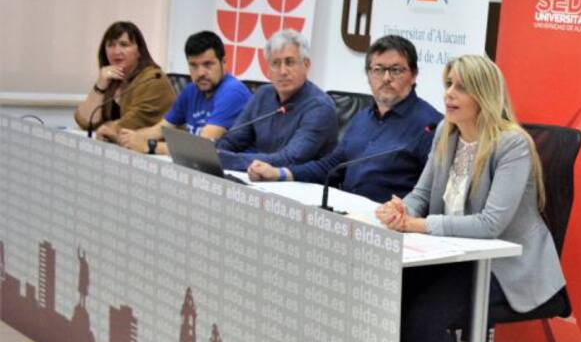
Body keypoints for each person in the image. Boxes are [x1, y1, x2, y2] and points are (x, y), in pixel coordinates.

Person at [375, 54, 566, 342]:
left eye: (461, 87)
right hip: (456, 255)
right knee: (387, 297)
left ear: (484, 94)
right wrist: (401, 210)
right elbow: (422, 194)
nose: (449, 94)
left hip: (504, 265)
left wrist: (419, 224)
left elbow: (490, 224)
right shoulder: (446, 133)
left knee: (421, 319)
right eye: (448, 84)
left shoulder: (512, 144)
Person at [247, 35, 440, 202]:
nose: (386, 78)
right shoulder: (362, 118)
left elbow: (431, 194)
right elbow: (330, 167)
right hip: (346, 215)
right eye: (378, 69)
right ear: (368, 75)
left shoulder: (431, 126)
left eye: (396, 70)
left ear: (414, 75)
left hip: (391, 224)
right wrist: (279, 174)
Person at [215, 29, 338, 171]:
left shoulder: (320, 107)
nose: (283, 71)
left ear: (306, 65)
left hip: (300, 182)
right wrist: (213, 154)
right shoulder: (262, 95)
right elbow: (231, 140)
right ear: (268, 70)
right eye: (275, 63)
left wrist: (225, 159)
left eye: (290, 62)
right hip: (261, 178)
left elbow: (290, 158)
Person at [116, 30, 252, 155]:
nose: (200, 73)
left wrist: (151, 146)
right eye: (193, 65)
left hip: (237, 170)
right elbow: (160, 129)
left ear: (224, 63)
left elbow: (202, 148)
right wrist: (131, 138)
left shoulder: (233, 93)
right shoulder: (191, 90)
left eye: (208, 64)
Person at [74, 21, 175, 141]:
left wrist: (106, 128)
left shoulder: (153, 79)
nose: (116, 51)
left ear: (139, 51)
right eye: (111, 45)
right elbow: (85, 122)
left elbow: (131, 124)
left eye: (124, 45)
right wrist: (100, 85)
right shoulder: (113, 79)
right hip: (120, 146)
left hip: (152, 149)